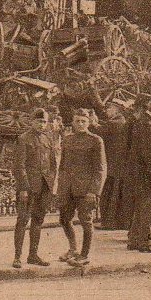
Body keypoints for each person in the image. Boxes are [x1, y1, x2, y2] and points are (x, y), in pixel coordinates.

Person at [57, 108, 106, 267]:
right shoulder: (67, 139)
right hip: (68, 187)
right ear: (73, 122)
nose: (80, 124)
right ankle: (73, 249)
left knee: (86, 221)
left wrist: (94, 191)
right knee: (64, 219)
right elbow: (62, 165)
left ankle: (84, 255)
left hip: (86, 189)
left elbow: (100, 168)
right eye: (77, 121)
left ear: (89, 122)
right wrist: (60, 187)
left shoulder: (95, 140)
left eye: (83, 121)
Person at [11, 108, 57, 268]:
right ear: (32, 121)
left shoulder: (48, 138)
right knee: (22, 220)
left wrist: (51, 184)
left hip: (44, 187)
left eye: (44, 121)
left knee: (38, 220)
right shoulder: (23, 139)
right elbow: (19, 166)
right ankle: (17, 257)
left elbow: (53, 164)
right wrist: (23, 187)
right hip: (28, 187)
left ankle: (33, 255)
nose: (42, 124)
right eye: (39, 121)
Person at [125, 95, 151, 253]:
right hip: (145, 173)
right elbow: (148, 153)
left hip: (142, 172)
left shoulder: (148, 122)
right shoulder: (147, 123)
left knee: (142, 207)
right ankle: (145, 242)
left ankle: (134, 241)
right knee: (147, 209)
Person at [92, 98, 131, 231]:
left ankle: (109, 222)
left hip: (113, 163)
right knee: (115, 193)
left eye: (109, 108)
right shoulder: (119, 121)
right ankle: (115, 221)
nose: (107, 110)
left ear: (117, 109)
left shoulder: (117, 122)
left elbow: (101, 131)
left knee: (109, 193)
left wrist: (92, 123)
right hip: (117, 162)